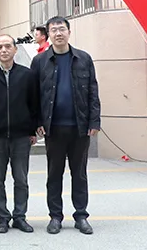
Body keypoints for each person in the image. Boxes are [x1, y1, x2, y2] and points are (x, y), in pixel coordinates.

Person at [30, 16, 101, 236]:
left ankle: (81, 216)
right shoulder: (39, 61)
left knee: (79, 174)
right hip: (53, 128)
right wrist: (37, 122)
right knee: (54, 174)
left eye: (62, 29)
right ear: (48, 35)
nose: (58, 33)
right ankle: (55, 216)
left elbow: (93, 91)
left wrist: (94, 121)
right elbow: (34, 95)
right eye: (54, 30)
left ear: (69, 32)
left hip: (80, 126)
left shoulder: (83, 58)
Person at [0, 35, 39, 234]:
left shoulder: (27, 75)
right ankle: (2, 217)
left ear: (15, 49)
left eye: (8, 46)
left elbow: (34, 104)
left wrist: (32, 130)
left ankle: (20, 216)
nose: (4, 50)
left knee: (21, 179)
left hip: (21, 136)